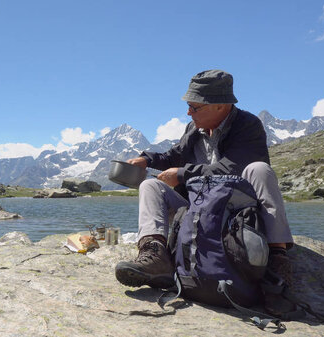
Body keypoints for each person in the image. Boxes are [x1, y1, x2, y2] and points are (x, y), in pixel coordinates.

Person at [114, 69, 294, 316]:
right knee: (150, 185)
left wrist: (182, 175)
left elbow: (232, 168)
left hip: (238, 216)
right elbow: (174, 155)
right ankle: (156, 256)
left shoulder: (248, 126)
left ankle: (277, 263)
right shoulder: (193, 128)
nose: (189, 112)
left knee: (260, 170)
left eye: (194, 107)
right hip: (200, 212)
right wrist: (147, 159)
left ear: (221, 106)